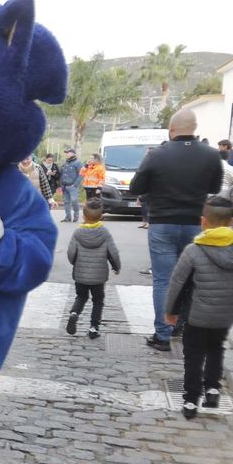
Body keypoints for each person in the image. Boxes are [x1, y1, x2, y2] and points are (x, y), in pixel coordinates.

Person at [127, 108, 221, 351]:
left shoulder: (157, 155)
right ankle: (183, 327)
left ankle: (163, 335)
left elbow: (137, 187)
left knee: (163, 281)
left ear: (171, 129)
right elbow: (215, 186)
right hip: (194, 223)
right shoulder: (211, 155)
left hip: (162, 223)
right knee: (190, 279)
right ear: (195, 127)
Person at [163, 197, 233, 418]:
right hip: (225, 314)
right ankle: (213, 388)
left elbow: (178, 283)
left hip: (198, 314)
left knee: (193, 355)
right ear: (230, 223)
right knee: (216, 348)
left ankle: (190, 401)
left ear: (203, 222)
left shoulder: (194, 251)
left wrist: (172, 311)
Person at [65, 199, 120, 340]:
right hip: (98, 276)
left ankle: (74, 313)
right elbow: (113, 252)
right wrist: (116, 267)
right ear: (101, 216)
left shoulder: (78, 232)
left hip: (81, 274)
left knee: (81, 297)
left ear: (84, 216)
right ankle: (93, 328)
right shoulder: (105, 232)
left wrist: (75, 263)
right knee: (98, 300)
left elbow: (71, 253)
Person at [58, 148, 83, 222]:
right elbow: (61, 174)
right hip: (64, 186)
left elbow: (81, 175)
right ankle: (68, 217)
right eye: (66, 153)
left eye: (68, 153)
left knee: (74, 200)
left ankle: (76, 216)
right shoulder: (65, 163)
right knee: (66, 202)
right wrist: (60, 184)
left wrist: (75, 185)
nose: (66, 154)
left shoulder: (78, 163)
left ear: (73, 154)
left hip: (72, 186)